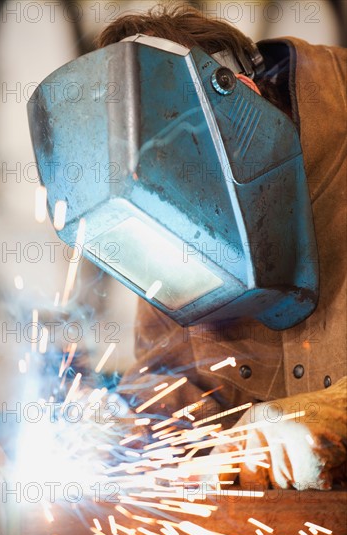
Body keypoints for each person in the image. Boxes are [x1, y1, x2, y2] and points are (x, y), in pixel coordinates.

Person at [94, 4, 347, 490]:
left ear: (242, 104)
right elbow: (174, 387)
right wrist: (124, 430)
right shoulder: (165, 210)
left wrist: (322, 420)